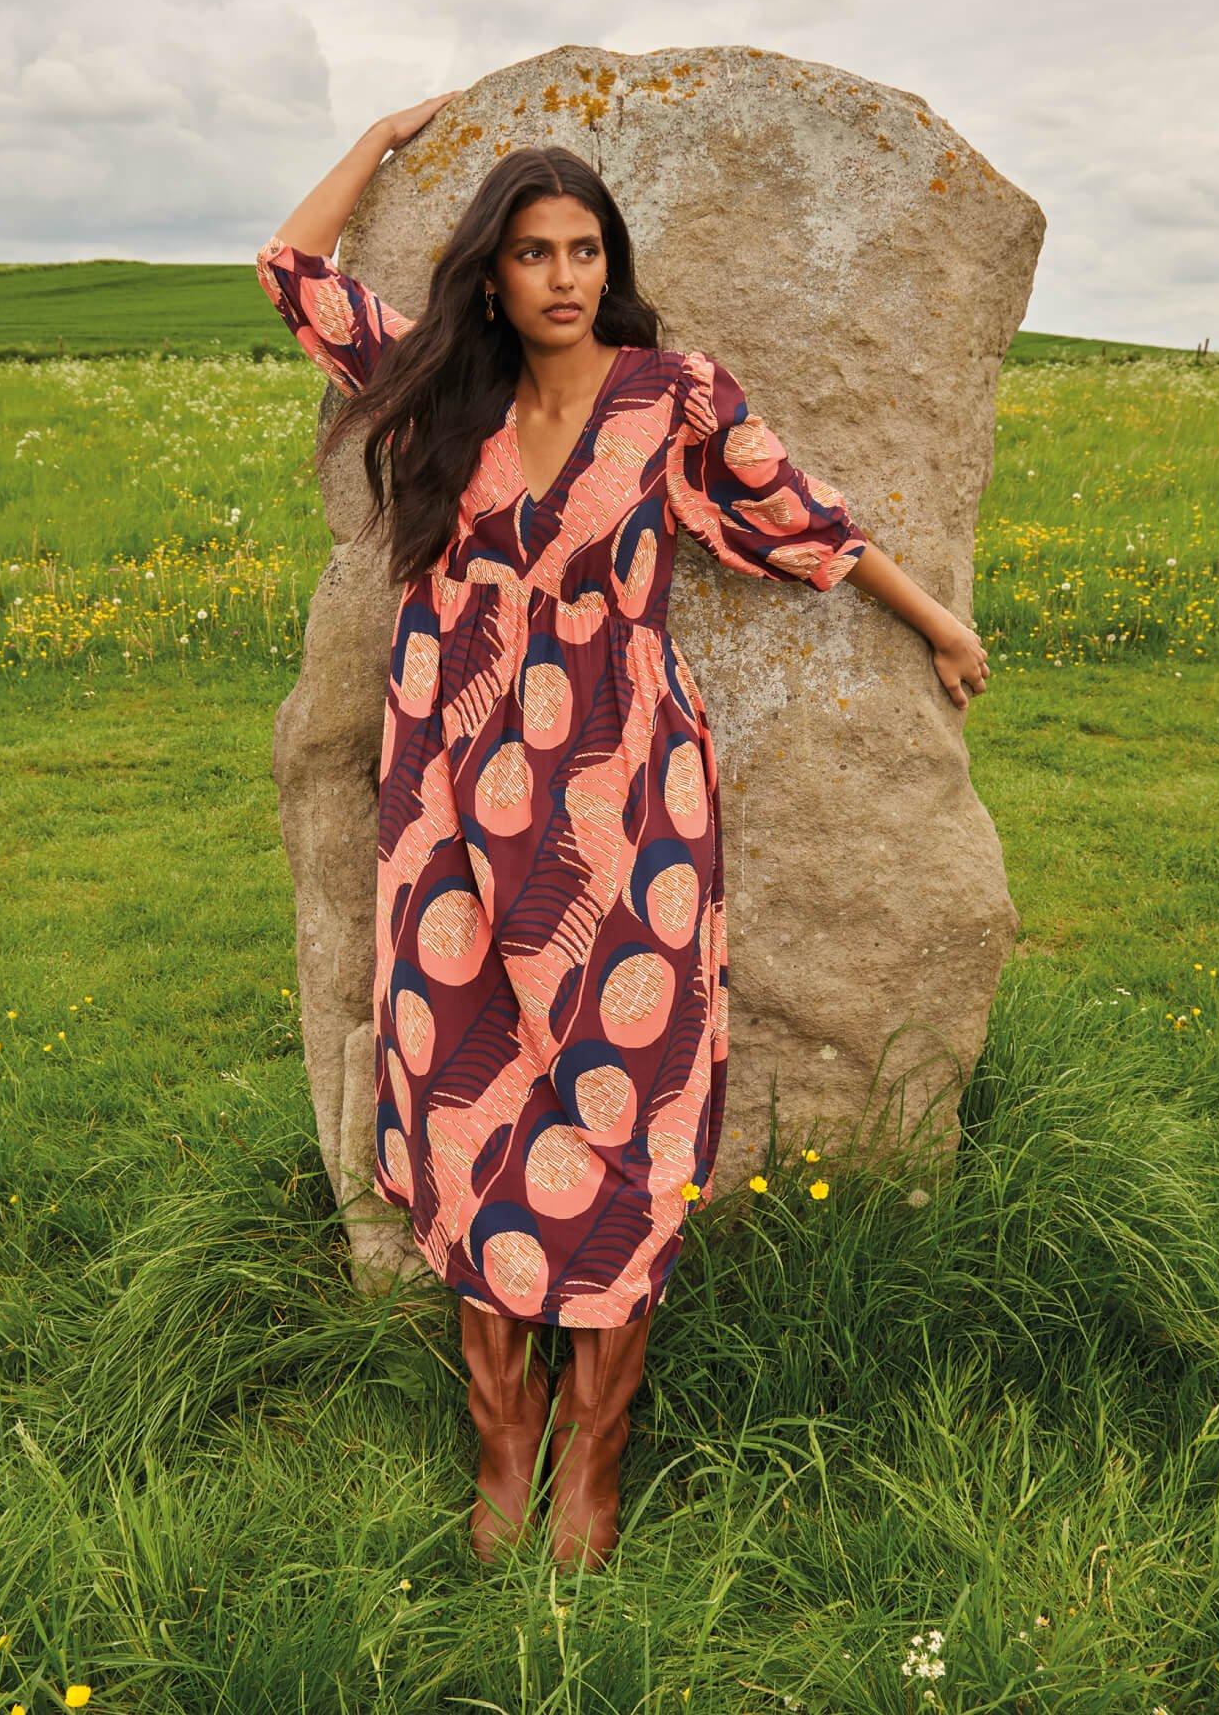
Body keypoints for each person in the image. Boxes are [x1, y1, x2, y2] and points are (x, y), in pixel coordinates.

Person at [256, 95, 989, 1573]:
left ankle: (594, 1453)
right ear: (490, 274)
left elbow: (806, 517)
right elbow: (289, 267)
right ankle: (503, 1443)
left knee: (621, 1101)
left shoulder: (674, 394)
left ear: (613, 263)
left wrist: (934, 617)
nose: (565, 276)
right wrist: (391, 134)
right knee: (463, 1093)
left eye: (586, 248)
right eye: (533, 252)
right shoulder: (438, 390)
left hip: (624, 799)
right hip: (449, 807)